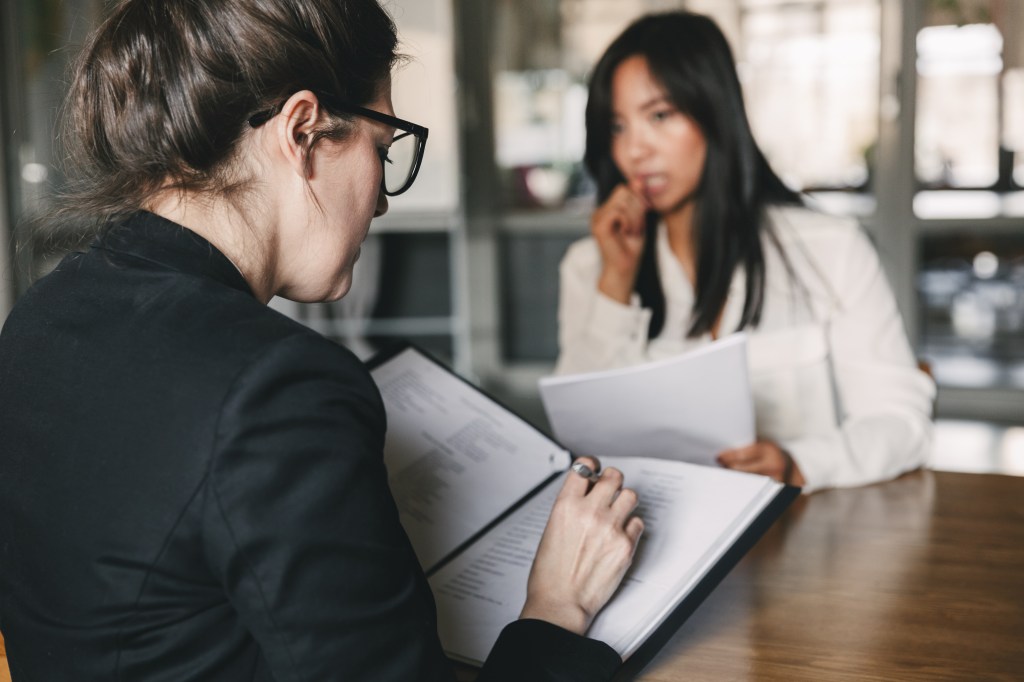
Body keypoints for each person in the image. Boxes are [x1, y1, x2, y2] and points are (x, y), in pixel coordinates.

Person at [0, 1, 644, 680]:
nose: (382, 201)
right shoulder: (279, 386)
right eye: (381, 150)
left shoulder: (43, 316)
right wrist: (555, 607)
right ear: (303, 130)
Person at [555, 11, 936, 493]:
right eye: (617, 126)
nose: (634, 151)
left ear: (714, 112)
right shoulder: (592, 265)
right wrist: (616, 281)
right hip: (648, 539)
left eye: (658, 115)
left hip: (807, 540)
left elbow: (901, 423)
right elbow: (579, 442)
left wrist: (797, 464)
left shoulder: (829, 250)